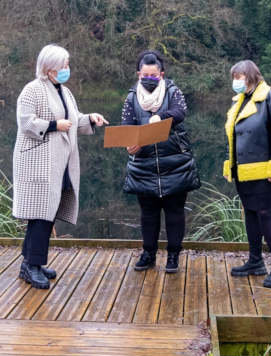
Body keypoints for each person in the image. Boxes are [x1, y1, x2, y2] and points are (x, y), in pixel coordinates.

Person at [13, 44, 108, 289]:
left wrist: (90, 119)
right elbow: (26, 123)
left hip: (59, 163)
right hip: (37, 164)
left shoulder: (64, 91)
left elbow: (73, 119)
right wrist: (55, 125)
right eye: (64, 66)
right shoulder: (31, 90)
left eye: (67, 65)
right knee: (40, 215)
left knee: (47, 212)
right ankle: (32, 266)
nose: (68, 69)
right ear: (49, 68)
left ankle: (30, 262)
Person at [121, 50, 200, 274]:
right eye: (144, 74)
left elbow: (180, 113)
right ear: (138, 74)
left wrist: (160, 117)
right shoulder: (130, 97)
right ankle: (148, 254)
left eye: (154, 75)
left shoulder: (174, 92)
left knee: (175, 212)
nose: (149, 78)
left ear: (162, 74)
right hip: (143, 165)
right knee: (148, 213)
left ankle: (174, 255)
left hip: (175, 163)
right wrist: (130, 143)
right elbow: (127, 125)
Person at [222, 60, 271, 288]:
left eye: (240, 77)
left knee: (265, 213)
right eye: (234, 77)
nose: (236, 82)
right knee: (250, 214)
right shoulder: (242, 100)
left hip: (264, 170)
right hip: (242, 170)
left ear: (252, 76)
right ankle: (255, 261)